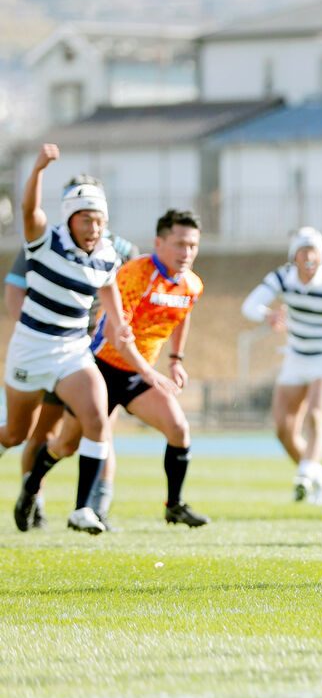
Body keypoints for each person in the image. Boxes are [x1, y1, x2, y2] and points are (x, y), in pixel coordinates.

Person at [17, 209, 209, 527]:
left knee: (179, 430)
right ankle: (30, 490)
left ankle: (174, 506)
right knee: (66, 444)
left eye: (192, 245)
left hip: (138, 374)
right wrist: (150, 373)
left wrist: (176, 360)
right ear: (159, 242)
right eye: (179, 244)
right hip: (100, 370)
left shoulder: (192, 284)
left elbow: (182, 314)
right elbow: (114, 334)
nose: (186, 252)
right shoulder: (134, 274)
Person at [2, 144, 133, 534]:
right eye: (86, 220)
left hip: (73, 350)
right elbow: (29, 211)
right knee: (16, 433)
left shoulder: (109, 254)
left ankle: (82, 510)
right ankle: (33, 491)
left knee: (96, 420)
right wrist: (39, 168)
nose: (93, 228)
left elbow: (110, 291)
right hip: (31, 347)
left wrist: (120, 323)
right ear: (70, 219)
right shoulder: (45, 241)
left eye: (99, 221)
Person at [241, 227, 322, 503]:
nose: (309, 257)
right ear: (293, 256)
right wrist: (268, 316)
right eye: (303, 251)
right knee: (283, 429)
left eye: (314, 251)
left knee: (317, 417)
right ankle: (320, 480)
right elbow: (249, 306)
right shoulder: (283, 277)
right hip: (295, 357)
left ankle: (305, 477)